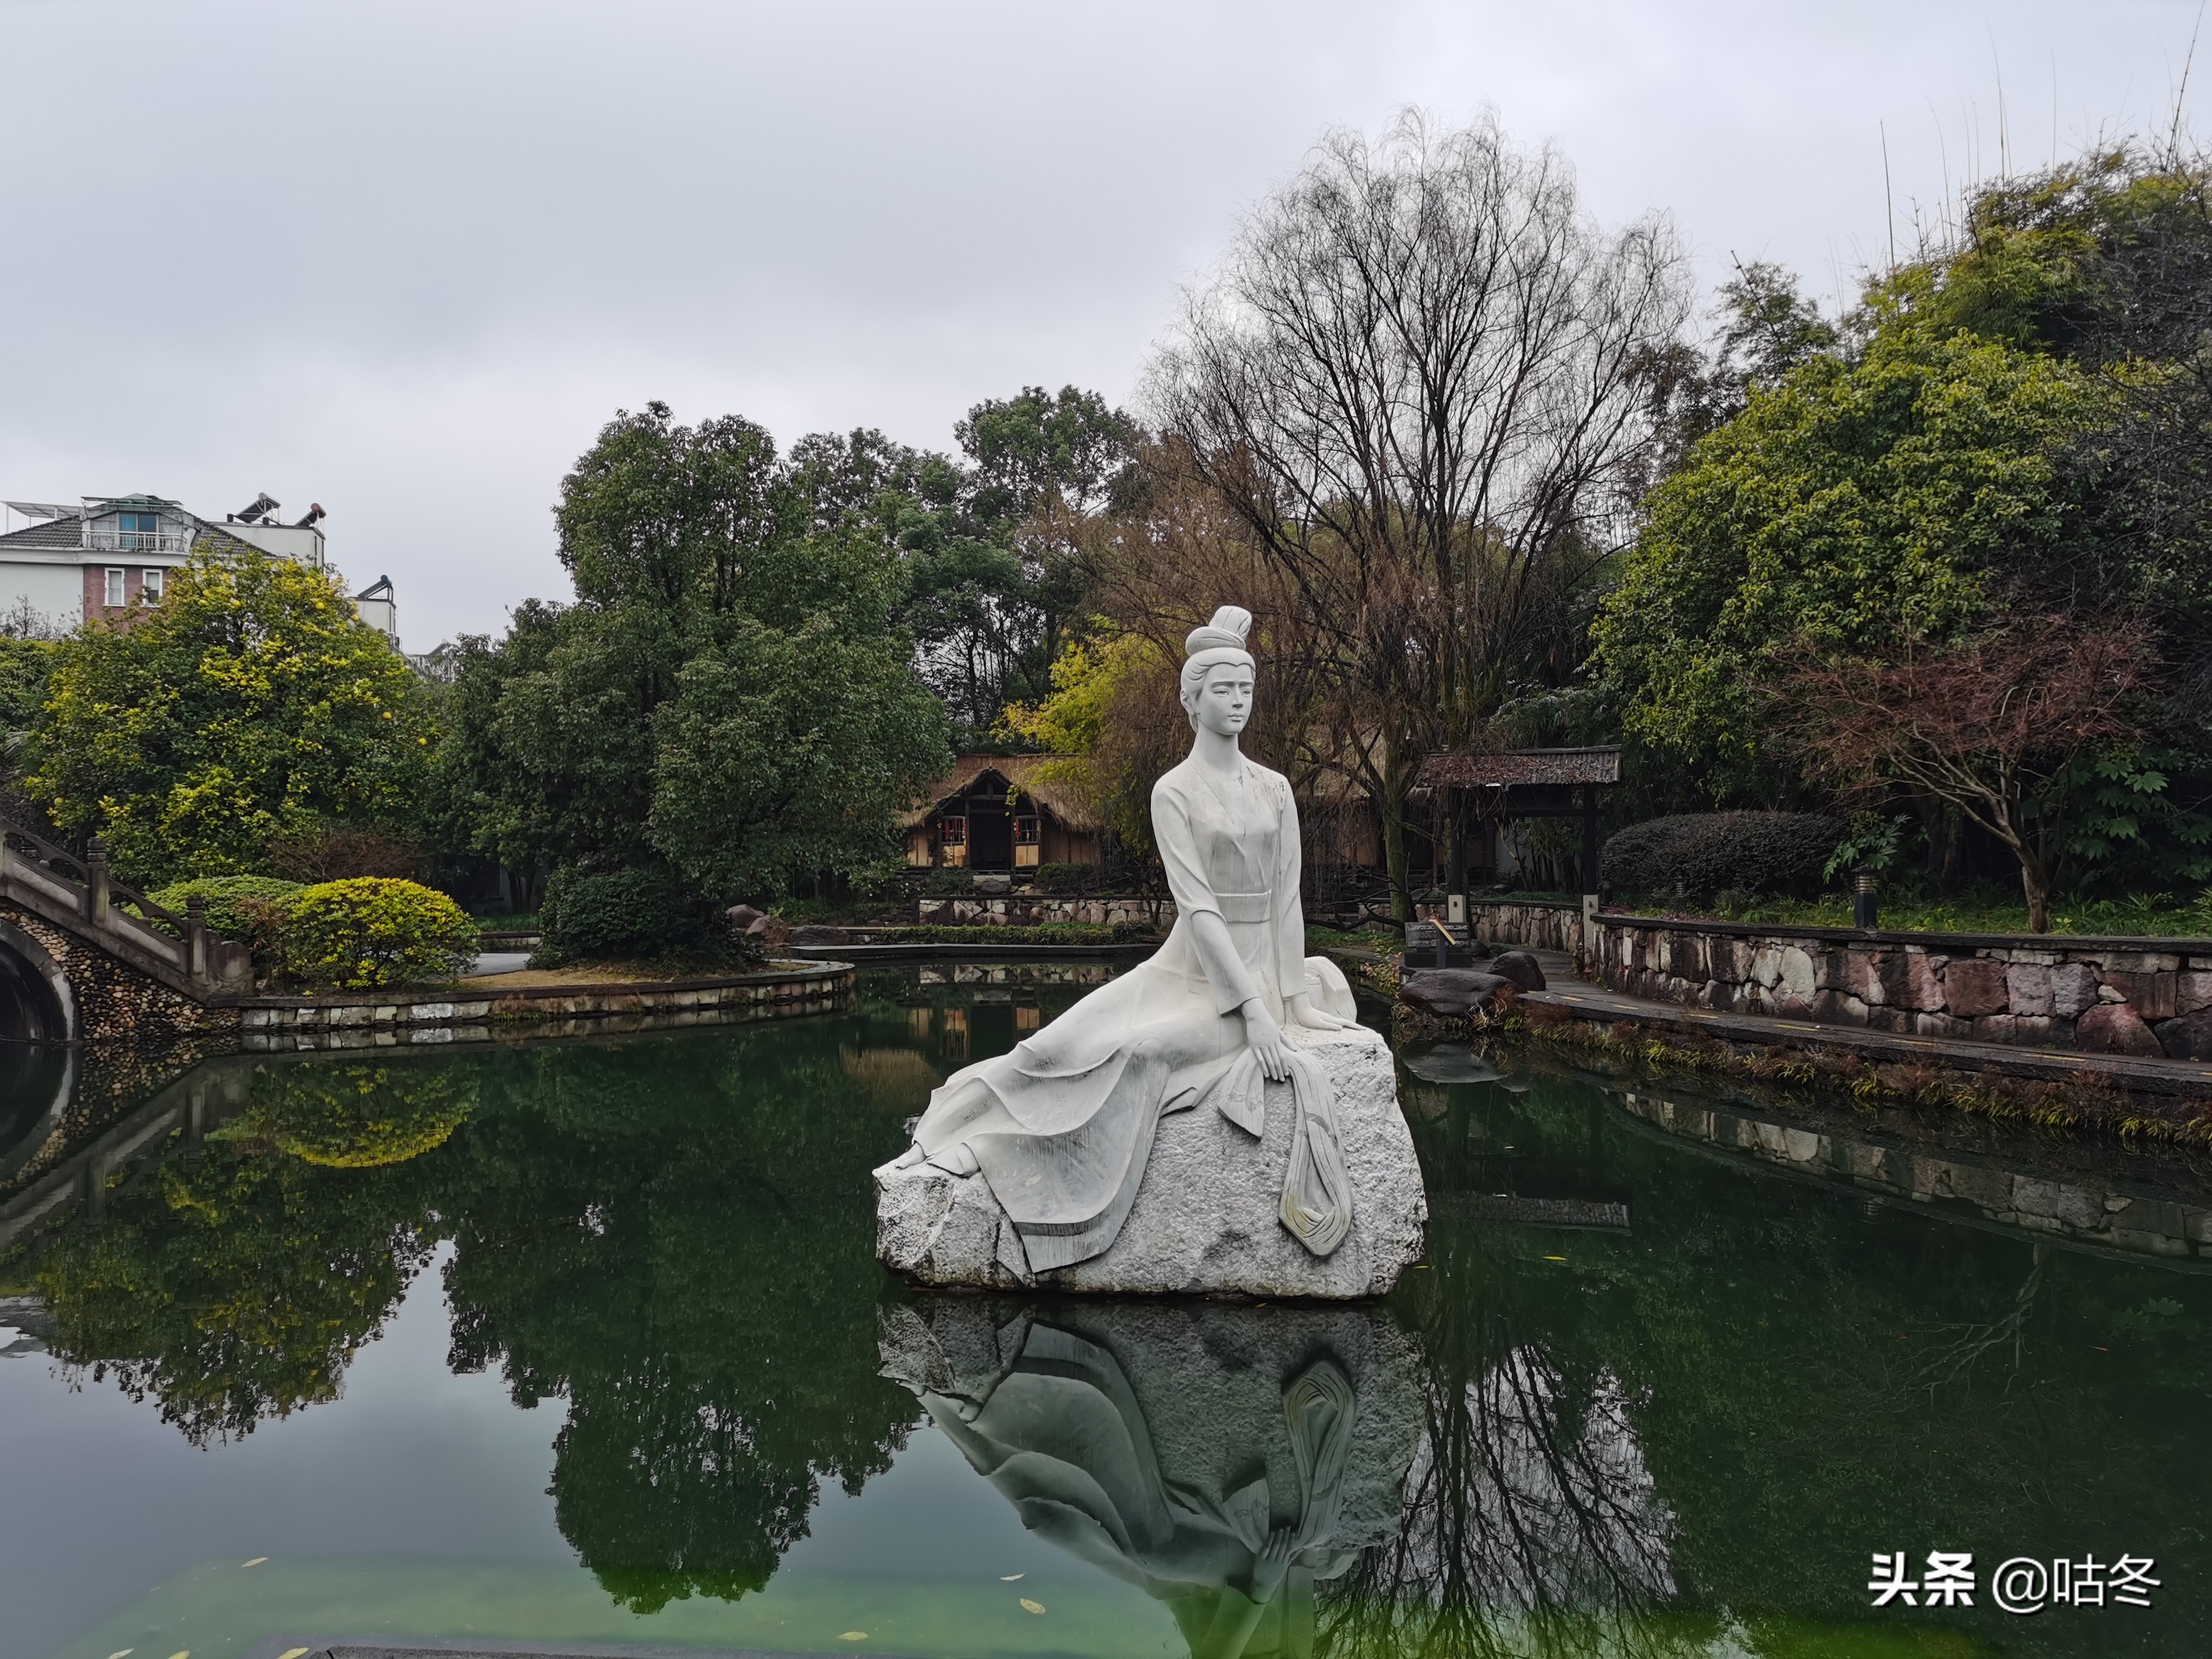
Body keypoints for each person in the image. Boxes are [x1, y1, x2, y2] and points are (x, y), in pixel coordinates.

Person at [893, 605, 1356, 1272]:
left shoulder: (1276, 790)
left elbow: (1287, 901)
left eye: (1245, 689)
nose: (1236, 702)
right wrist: (1254, 1010)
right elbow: (1198, 909)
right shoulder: (1174, 791)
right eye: (1222, 689)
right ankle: (947, 1137)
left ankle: (1048, 1187)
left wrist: (1282, 1005)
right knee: (1049, 1047)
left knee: (1139, 1054)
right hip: (1186, 969)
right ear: (1192, 701)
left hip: (1248, 987)